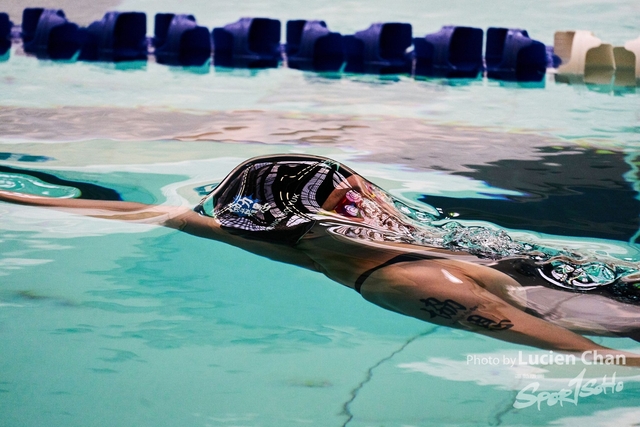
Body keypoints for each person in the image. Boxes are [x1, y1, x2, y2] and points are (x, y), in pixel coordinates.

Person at [1, 154, 639, 365]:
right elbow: (581, 351)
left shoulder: (304, 246)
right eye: (346, 200)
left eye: (355, 188)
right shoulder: (408, 281)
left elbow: (159, 214)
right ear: (310, 222)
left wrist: (16, 195)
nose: (364, 200)